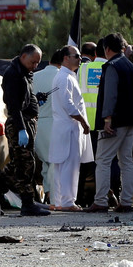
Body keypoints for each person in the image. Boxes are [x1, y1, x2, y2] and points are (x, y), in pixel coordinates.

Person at [87, 33, 133, 212]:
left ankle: (100, 201)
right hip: (130, 121)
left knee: (102, 160)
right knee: (126, 162)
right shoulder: (132, 67)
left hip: (115, 121)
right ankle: (126, 201)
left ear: (107, 49)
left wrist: (107, 118)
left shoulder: (111, 66)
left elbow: (110, 94)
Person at [0, 43, 49, 216]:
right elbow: (14, 106)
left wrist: (35, 100)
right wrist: (21, 129)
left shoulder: (26, 73)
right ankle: (27, 203)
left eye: (37, 63)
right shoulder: (14, 75)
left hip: (27, 122)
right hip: (20, 123)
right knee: (26, 165)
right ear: (23, 56)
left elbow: (24, 98)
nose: (35, 66)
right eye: (33, 62)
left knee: (17, 162)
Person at [48, 45, 93, 211]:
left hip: (65, 127)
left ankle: (61, 201)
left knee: (62, 166)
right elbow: (69, 104)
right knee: (70, 167)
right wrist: (83, 121)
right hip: (69, 127)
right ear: (66, 58)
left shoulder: (68, 76)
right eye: (76, 56)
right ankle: (67, 202)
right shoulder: (64, 77)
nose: (80, 59)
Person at [33, 49, 63, 202]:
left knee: (46, 162)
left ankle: (49, 193)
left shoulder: (35, 77)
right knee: (55, 162)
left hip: (38, 124)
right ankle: (53, 196)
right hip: (56, 123)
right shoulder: (62, 77)